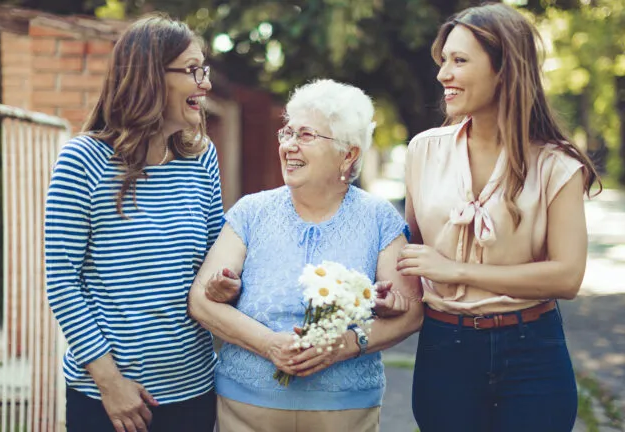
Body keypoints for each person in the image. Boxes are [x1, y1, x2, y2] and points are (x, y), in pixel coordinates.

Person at [397, 3, 601, 432]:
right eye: (443, 61)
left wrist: (456, 270)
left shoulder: (556, 165)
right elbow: (413, 257)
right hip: (445, 348)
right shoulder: (422, 151)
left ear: (504, 69)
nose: (442, 75)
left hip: (533, 350)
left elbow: (567, 276)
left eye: (459, 61)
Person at [187, 79, 423, 432]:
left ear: (349, 153)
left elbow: (411, 311)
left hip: (344, 409)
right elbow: (201, 301)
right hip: (247, 407)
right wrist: (269, 345)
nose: (289, 146)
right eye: (287, 133)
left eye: (306, 136)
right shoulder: (251, 212)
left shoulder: (379, 219)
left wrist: (344, 345)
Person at [44, 14, 221, 432]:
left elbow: (216, 259)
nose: (205, 84)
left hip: (195, 392)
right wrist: (109, 383)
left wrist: (224, 282)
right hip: (111, 401)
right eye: (193, 70)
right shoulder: (81, 161)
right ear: (149, 78)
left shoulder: (202, 158)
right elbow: (63, 281)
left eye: (204, 70)